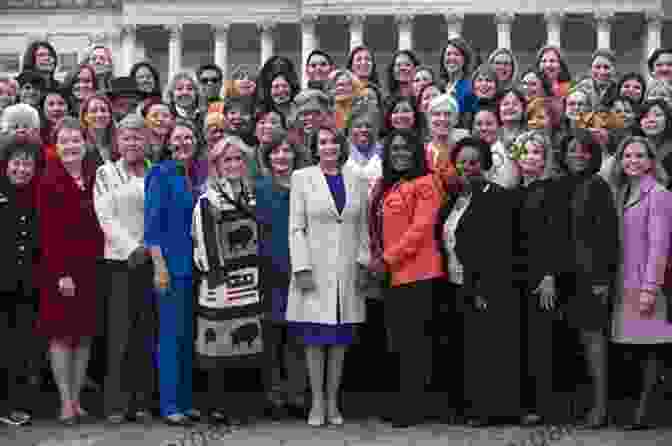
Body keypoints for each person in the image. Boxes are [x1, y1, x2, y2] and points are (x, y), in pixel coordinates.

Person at [286, 125, 370, 427]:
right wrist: (301, 267)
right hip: (314, 270)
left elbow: (363, 227)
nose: (329, 147)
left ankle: (333, 401)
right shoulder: (302, 178)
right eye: (323, 142)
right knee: (315, 339)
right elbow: (296, 227)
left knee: (338, 341)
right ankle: (317, 403)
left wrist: (363, 263)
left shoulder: (357, 179)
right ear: (315, 147)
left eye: (334, 142)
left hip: (346, 269)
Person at [436, 136, 519, 427]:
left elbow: (500, 247)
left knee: (487, 351)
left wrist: (485, 288)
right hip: (455, 282)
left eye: (473, 162)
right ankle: (467, 407)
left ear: (483, 164)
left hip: (485, 286)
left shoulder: (496, 195)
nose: (467, 167)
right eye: (462, 163)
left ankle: (489, 410)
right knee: (465, 350)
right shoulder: (454, 199)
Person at [368, 128, 447, 427]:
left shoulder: (427, 184)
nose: (399, 153)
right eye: (394, 148)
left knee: (415, 344)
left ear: (416, 153)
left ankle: (414, 407)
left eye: (406, 148)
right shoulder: (387, 185)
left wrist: (386, 259)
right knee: (397, 343)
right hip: (393, 275)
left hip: (418, 273)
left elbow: (421, 229)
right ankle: (400, 401)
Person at [192, 134, 264, 426]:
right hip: (220, 281)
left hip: (249, 280)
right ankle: (216, 406)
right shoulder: (208, 199)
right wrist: (216, 276)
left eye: (238, 159)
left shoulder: (251, 193)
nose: (233, 164)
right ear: (216, 165)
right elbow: (203, 241)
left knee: (244, 346)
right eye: (227, 160)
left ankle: (241, 405)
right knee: (217, 344)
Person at [36, 117, 104, 425]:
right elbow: (48, 231)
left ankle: (77, 400)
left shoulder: (95, 176)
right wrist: (61, 273)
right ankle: (65, 402)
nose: (71, 146)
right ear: (56, 146)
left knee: (85, 335)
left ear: (85, 143)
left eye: (76, 140)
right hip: (60, 268)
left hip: (91, 265)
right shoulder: (48, 179)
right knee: (62, 336)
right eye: (64, 141)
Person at [606, 136, 672, 430]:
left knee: (651, 348)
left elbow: (660, 246)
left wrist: (650, 289)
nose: (633, 161)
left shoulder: (659, 194)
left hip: (647, 284)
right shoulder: (621, 192)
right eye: (627, 156)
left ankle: (645, 414)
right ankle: (635, 411)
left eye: (640, 156)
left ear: (651, 161)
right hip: (623, 283)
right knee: (632, 348)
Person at [555, 130, 619, 429]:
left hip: (591, 277)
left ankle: (601, 407)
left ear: (591, 154)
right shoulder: (564, 185)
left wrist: (602, 279)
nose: (577, 155)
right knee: (576, 343)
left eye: (583, 150)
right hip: (567, 277)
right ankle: (581, 406)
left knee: (594, 343)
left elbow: (607, 236)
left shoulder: (598, 186)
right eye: (571, 150)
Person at [94, 114, 155, 424]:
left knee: (145, 333)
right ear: (118, 142)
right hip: (119, 261)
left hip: (151, 261)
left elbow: (158, 215)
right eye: (127, 138)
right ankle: (115, 404)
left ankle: (141, 402)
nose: (133, 143)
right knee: (119, 334)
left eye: (138, 137)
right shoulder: (105, 173)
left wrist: (151, 248)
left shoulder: (154, 172)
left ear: (147, 141)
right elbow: (105, 217)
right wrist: (132, 247)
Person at [145, 121, 205, 426]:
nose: (183, 142)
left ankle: (186, 401)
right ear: (168, 143)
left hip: (197, 268)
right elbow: (151, 227)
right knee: (169, 337)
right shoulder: (160, 173)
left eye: (189, 136)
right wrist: (159, 266)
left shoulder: (198, 174)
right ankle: (169, 404)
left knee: (187, 337)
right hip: (170, 266)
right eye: (177, 138)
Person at [509, 130, 564, 426]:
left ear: (545, 158)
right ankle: (523, 404)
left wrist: (550, 275)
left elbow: (557, 236)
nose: (531, 157)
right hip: (517, 275)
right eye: (526, 152)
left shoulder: (552, 190)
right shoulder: (515, 191)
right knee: (522, 342)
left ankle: (544, 406)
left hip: (542, 277)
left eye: (537, 152)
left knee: (541, 342)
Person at [256, 133, 309, 419]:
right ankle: (274, 396)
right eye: (276, 152)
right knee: (271, 336)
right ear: (268, 157)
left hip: (298, 267)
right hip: (268, 269)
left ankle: (297, 395)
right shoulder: (261, 188)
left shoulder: (306, 186)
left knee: (297, 336)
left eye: (287, 151)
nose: (281, 157)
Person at [0, 142, 41, 426]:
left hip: (26, 284)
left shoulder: (37, 195)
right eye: (16, 163)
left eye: (27, 164)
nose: (21, 169)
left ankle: (13, 404)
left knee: (19, 347)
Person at [424, 94, 469, 172]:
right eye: (437, 114)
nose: (442, 119)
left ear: (456, 119)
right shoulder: (422, 152)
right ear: (429, 119)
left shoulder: (465, 151)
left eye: (448, 114)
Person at [80, 94, 117, 169]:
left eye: (103, 110)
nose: (99, 115)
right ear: (85, 117)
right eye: (93, 111)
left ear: (110, 115)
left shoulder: (120, 141)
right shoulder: (79, 143)